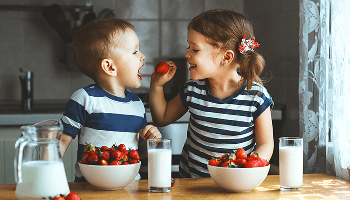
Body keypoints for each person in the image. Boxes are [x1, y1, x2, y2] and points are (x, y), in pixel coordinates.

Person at [149, 9, 274, 178]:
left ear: (226, 57)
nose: (187, 54)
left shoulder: (256, 97)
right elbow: (161, 118)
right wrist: (156, 85)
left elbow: (266, 144)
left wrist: (249, 169)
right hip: (191, 185)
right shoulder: (193, 90)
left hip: (234, 184)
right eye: (189, 47)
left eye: (195, 49)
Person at [59, 19, 161, 181]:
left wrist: (152, 142)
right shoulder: (85, 99)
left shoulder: (137, 104)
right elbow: (61, 143)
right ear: (110, 67)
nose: (143, 56)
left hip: (130, 188)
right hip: (90, 190)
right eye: (135, 52)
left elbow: (139, 153)